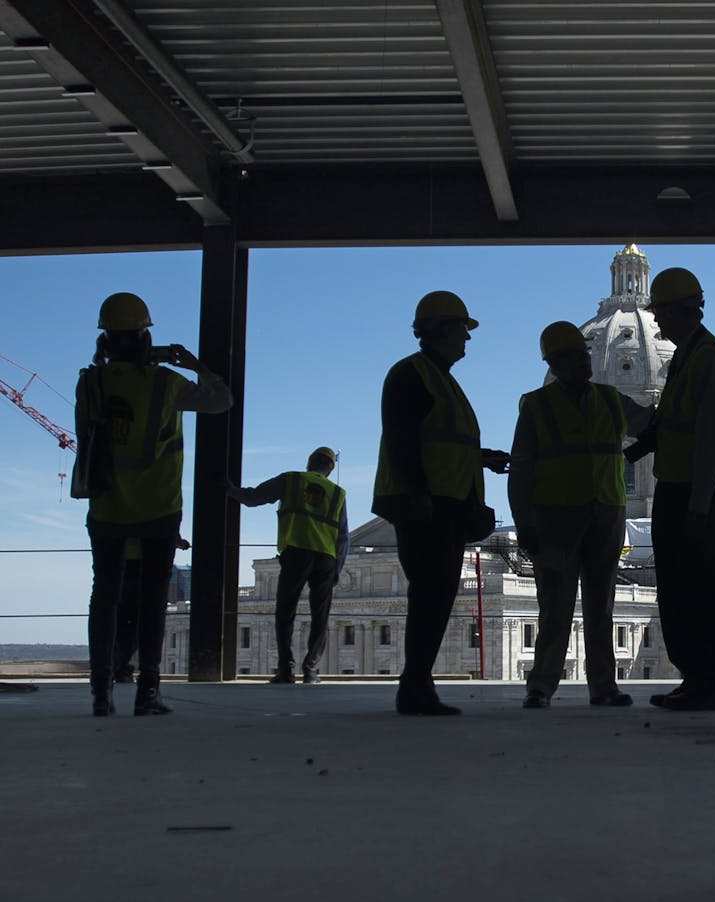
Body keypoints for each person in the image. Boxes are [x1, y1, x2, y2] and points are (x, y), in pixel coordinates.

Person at [77, 292, 232, 717]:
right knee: (151, 603)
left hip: (107, 507)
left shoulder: (90, 382)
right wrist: (194, 364)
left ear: (105, 340)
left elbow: (86, 444)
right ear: (145, 339)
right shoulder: (166, 383)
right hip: (158, 508)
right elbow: (221, 400)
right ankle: (147, 693)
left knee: (103, 598)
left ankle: (101, 692)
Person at [372, 290, 509, 716]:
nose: (467, 340)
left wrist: (482, 459)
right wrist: (417, 495)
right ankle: (415, 687)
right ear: (440, 330)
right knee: (431, 592)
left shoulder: (440, 378)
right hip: (426, 504)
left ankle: (418, 684)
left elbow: (444, 443)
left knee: (438, 593)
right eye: (462, 330)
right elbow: (402, 440)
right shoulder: (412, 374)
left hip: (444, 503)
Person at [509, 322, 654, 709]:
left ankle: (603, 686)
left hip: (606, 512)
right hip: (555, 518)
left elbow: (653, 427)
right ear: (555, 364)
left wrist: (634, 453)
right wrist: (524, 523)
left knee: (601, 607)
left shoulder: (611, 400)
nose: (584, 361)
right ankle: (540, 686)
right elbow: (521, 469)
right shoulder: (536, 406)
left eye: (585, 354)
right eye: (574, 356)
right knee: (554, 607)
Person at [643, 268, 715, 711]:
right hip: (675, 485)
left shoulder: (708, 359)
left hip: (695, 491)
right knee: (678, 588)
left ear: (676, 310)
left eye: (660, 313)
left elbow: (714, 436)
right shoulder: (687, 356)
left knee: (700, 588)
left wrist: (701, 503)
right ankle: (696, 677)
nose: (657, 324)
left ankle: (710, 681)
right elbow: (675, 428)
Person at [228, 447, 349, 685]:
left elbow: (254, 497)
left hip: (297, 552)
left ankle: (286, 669)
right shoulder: (337, 493)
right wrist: (337, 569)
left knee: (286, 612)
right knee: (320, 617)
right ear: (330, 469)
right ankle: (311, 670)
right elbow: (343, 536)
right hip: (325, 558)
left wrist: (231, 491)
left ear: (309, 462)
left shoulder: (292, 480)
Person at [113, 536, 190, 683]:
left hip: (118, 559)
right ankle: (137, 671)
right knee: (142, 621)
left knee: (120, 618)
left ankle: (112, 666)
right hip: (145, 564)